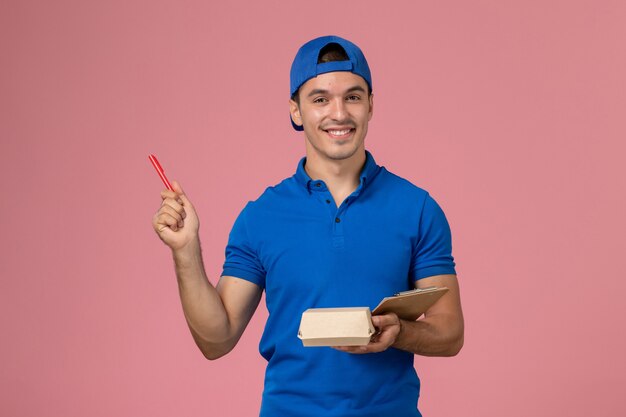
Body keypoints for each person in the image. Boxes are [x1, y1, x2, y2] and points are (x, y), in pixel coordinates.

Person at [152, 35, 464, 417]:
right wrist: (186, 251)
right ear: (296, 111)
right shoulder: (261, 216)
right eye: (320, 99)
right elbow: (217, 340)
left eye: (352, 96)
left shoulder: (417, 208)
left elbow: (450, 332)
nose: (339, 113)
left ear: (370, 105)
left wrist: (401, 332)